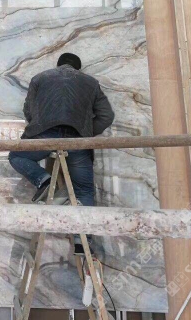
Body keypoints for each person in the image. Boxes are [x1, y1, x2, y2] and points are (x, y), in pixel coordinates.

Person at [8, 52, 114, 255]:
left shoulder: (40, 78)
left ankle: (46, 181)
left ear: (58, 65)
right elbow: (106, 116)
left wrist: (43, 126)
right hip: (77, 141)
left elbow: (28, 111)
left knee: (16, 156)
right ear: (77, 68)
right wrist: (87, 132)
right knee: (84, 190)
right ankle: (82, 243)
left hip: (45, 136)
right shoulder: (90, 82)